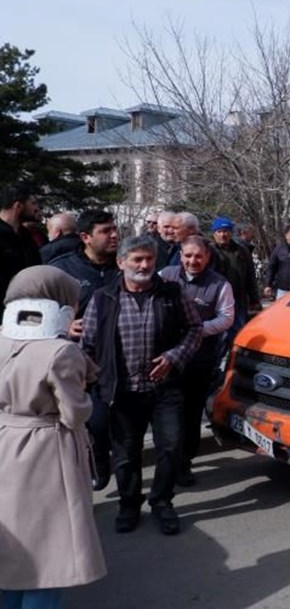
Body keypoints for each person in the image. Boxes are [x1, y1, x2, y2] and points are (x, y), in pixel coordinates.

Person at [80, 235, 202, 535]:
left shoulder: (172, 293)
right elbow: (89, 344)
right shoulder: (103, 298)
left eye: (149, 259)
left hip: (165, 389)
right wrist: (95, 380)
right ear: (121, 263)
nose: (145, 265)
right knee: (125, 454)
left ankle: (161, 501)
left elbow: (195, 329)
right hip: (122, 393)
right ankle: (129, 504)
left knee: (171, 447)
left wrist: (174, 357)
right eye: (137, 259)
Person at [0, 266, 107, 606]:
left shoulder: (2, 338)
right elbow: (74, 413)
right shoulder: (61, 351)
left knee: (12, 546)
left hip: (5, 440)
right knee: (49, 551)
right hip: (46, 449)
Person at [48, 209, 122, 491]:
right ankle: (99, 462)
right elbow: (41, 310)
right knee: (97, 423)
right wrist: (64, 327)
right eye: (106, 231)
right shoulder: (62, 269)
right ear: (85, 237)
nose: (114, 235)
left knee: (123, 425)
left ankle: (126, 478)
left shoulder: (125, 263)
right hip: (81, 362)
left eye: (114, 229)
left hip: (124, 359)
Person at [160, 236, 234, 486]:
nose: (193, 261)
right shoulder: (165, 275)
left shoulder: (219, 284)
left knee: (191, 414)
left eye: (198, 256)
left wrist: (196, 329)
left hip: (200, 360)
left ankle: (184, 464)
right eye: (188, 255)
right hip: (167, 358)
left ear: (207, 257)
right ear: (180, 255)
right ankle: (167, 460)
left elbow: (226, 318)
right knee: (169, 413)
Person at [210, 216, 261, 338]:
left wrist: (254, 299)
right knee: (218, 335)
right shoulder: (209, 251)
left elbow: (250, 276)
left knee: (237, 333)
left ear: (231, 233)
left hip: (238, 299)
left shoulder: (242, 251)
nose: (223, 235)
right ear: (214, 234)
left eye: (226, 231)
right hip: (216, 301)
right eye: (219, 231)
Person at [0, 185, 43, 321]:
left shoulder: (27, 238)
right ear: (18, 206)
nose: (37, 208)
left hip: (25, 315)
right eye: (33, 203)